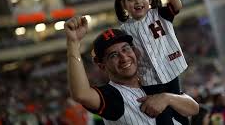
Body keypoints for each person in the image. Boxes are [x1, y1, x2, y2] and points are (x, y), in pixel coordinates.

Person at [64, 16, 199, 125]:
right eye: (113, 55)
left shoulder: (151, 79)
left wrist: (167, 98)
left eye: (126, 49)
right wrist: (73, 44)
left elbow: (193, 108)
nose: (124, 57)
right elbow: (81, 94)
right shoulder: (113, 96)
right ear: (102, 66)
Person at [114, 0, 189, 123]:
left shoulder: (159, 14)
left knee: (179, 110)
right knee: (161, 116)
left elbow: (177, 6)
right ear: (123, 4)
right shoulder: (124, 30)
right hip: (148, 78)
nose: (137, 1)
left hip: (170, 70)